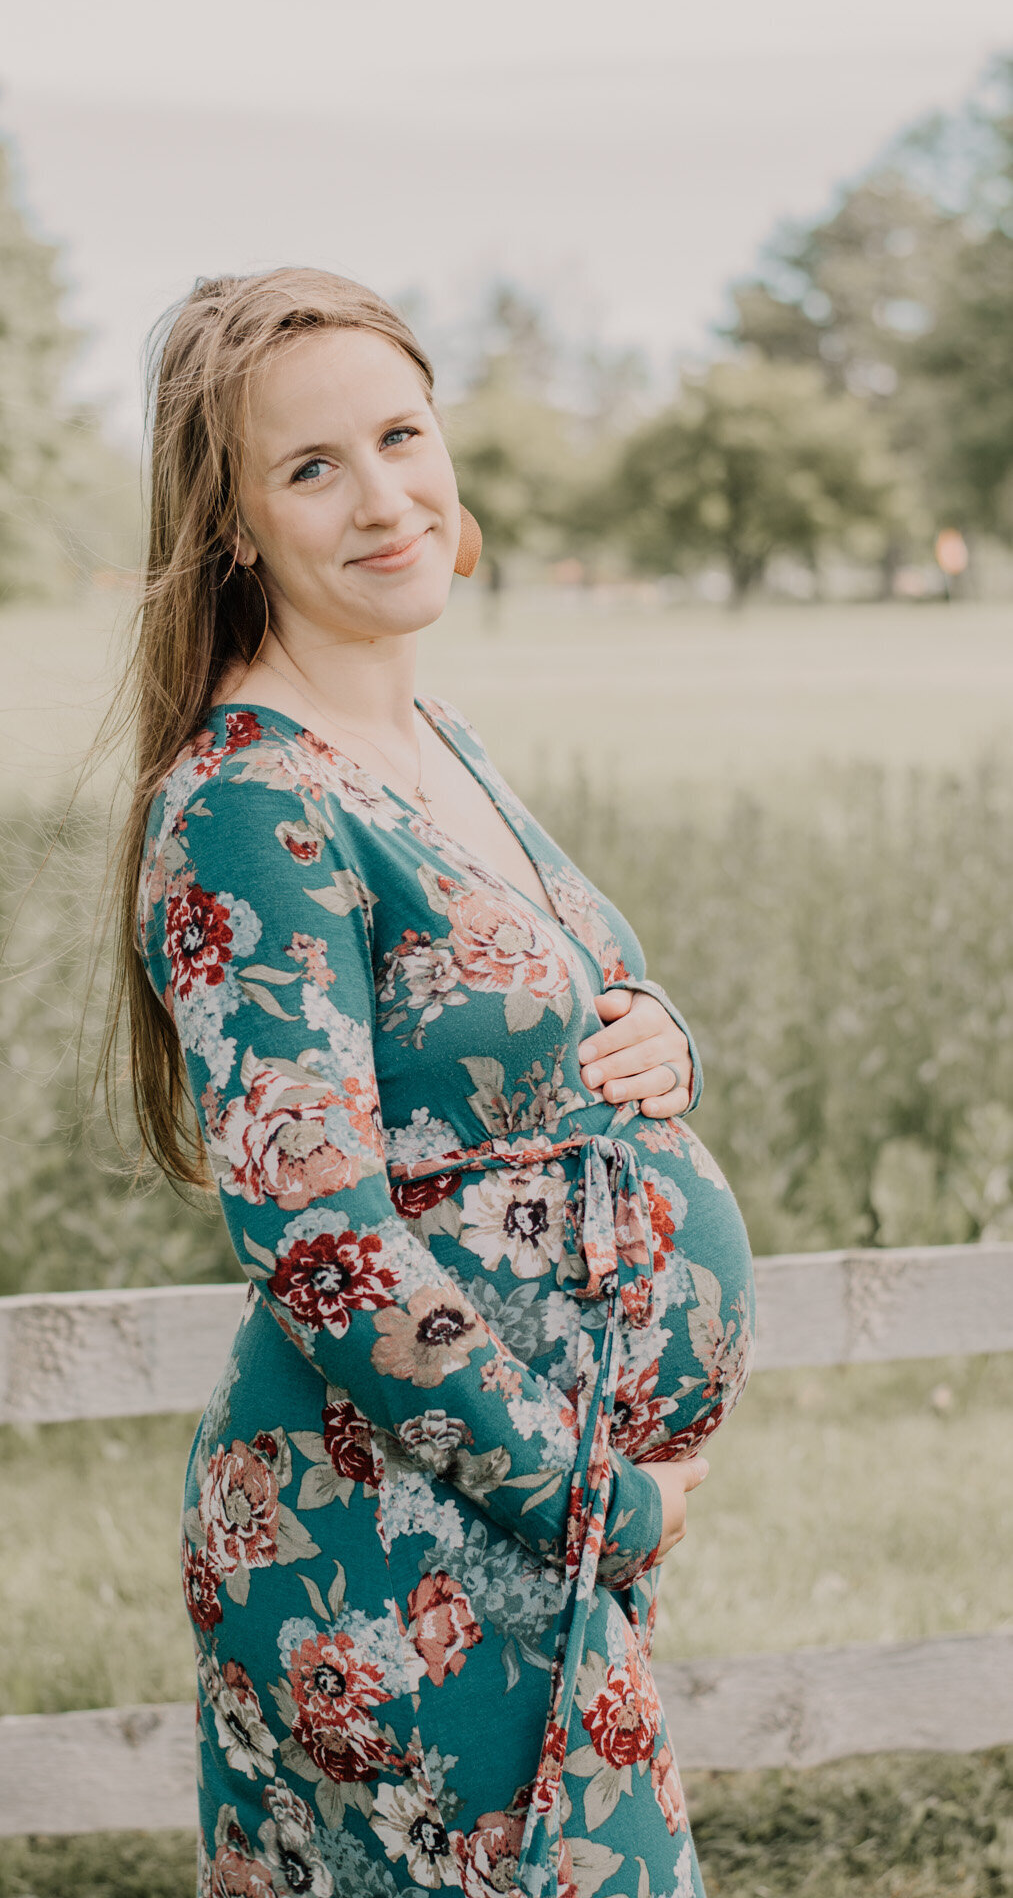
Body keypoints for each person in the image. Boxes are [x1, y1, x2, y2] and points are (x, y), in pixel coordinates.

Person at [105, 267, 756, 1898]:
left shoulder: (433, 736)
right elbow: (319, 1243)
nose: (386, 497)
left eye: (401, 436)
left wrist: (657, 1040)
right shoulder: (250, 809)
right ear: (234, 522)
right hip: (392, 1542)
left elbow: (531, 1022)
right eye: (312, 467)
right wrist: (598, 1498)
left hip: (515, 1531)